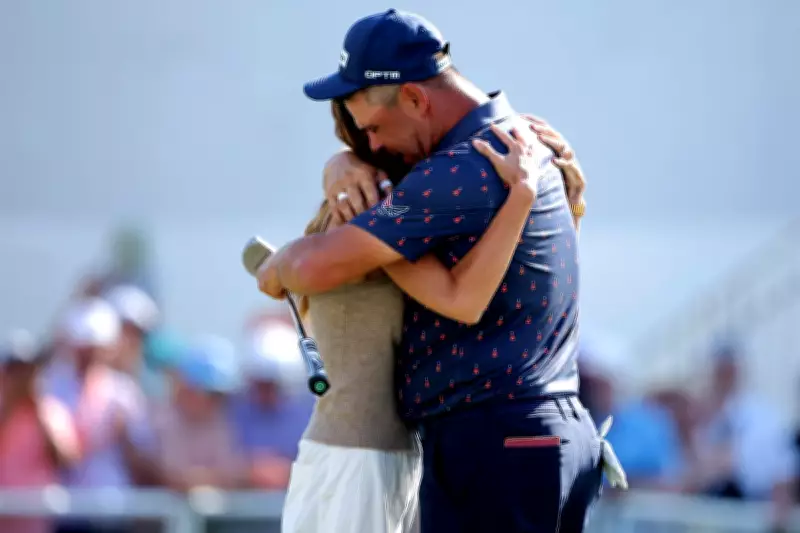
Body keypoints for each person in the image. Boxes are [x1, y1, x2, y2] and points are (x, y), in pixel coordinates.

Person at [258, 9, 602, 533]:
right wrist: (340, 165)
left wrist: (274, 263)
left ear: (416, 99)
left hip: (496, 441)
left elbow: (308, 266)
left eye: (374, 129)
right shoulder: (516, 141)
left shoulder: (456, 171)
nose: (373, 146)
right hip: (546, 434)